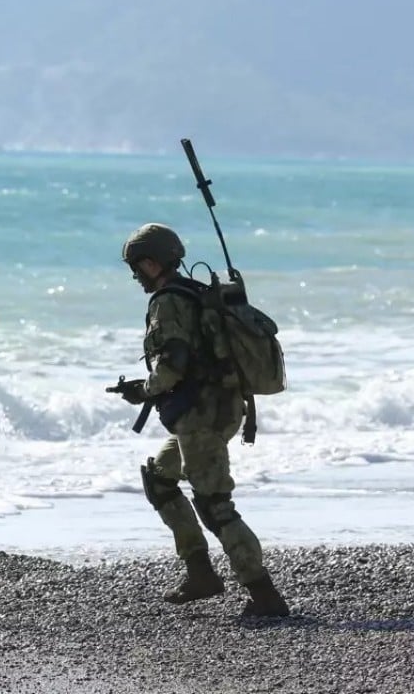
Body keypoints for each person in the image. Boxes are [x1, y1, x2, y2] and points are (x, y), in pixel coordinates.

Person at [119, 222, 290, 617]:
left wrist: (143, 390)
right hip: (221, 409)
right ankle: (200, 573)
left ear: (150, 263)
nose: (135, 277)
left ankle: (265, 595)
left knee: (215, 506)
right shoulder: (199, 293)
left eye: (136, 268)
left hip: (201, 418)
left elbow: (173, 363)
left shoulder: (166, 301)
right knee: (161, 478)